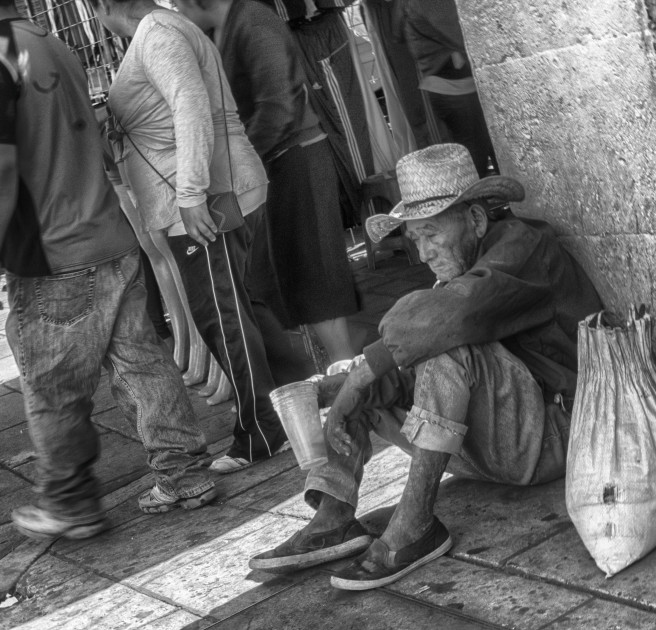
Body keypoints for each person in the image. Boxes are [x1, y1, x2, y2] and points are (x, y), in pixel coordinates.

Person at [249, 144, 603, 590]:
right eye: (415, 239)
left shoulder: (526, 246)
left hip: (556, 436)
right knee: (373, 379)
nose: (423, 253)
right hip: (493, 446)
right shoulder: (463, 265)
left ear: (475, 219)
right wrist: (346, 386)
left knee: (431, 351)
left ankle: (416, 526)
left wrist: (361, 375)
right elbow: (411, 337)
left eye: (432, 233)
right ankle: (334, 516)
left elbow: (449, 318)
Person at [0, 0, 217, 537]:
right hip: (110, 235)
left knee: (55, 385)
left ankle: (71, 501)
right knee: (142, 363)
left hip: (53, 254)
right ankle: (185, 476)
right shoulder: (53, 46)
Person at [92, 0, 292, 474]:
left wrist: (192, 193)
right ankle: (292, 405)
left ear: (102, 7)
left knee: (221, 315)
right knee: (238, 309)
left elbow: (191, 103)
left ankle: (262, 429)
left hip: (210, 197)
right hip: (206, 194)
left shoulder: (158, 30)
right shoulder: (153, 32)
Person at [173, 0, 360, 364]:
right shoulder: (227, 27)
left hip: (296, 154)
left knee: (315, 268)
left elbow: (280, 104)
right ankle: (337, 359)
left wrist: (240, 156)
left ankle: (346, 362)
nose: (178, 11)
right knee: (290, 272)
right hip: (274, 161)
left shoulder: (254, 22)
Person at [401, 0, 497, 177]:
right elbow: (462, 34)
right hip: (455, 91)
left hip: (456, 88)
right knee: (475, 158)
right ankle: (474, 203)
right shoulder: (427, 4)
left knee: (482, 153)